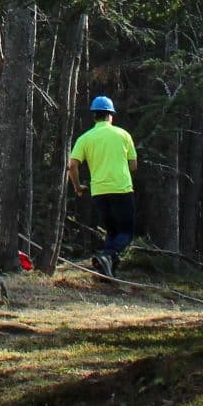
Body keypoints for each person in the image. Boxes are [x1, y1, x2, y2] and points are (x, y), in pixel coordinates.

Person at [68, 95, 138, 278]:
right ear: (110, 115)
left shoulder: (85, 138)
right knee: (125, 232)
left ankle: (105, 274)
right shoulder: (123, 135)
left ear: (94, 116)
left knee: (112, 232)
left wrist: (77, 187)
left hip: (99, 192)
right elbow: (133, 165)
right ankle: (106, 256)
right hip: (121, 189)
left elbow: (72, 165)